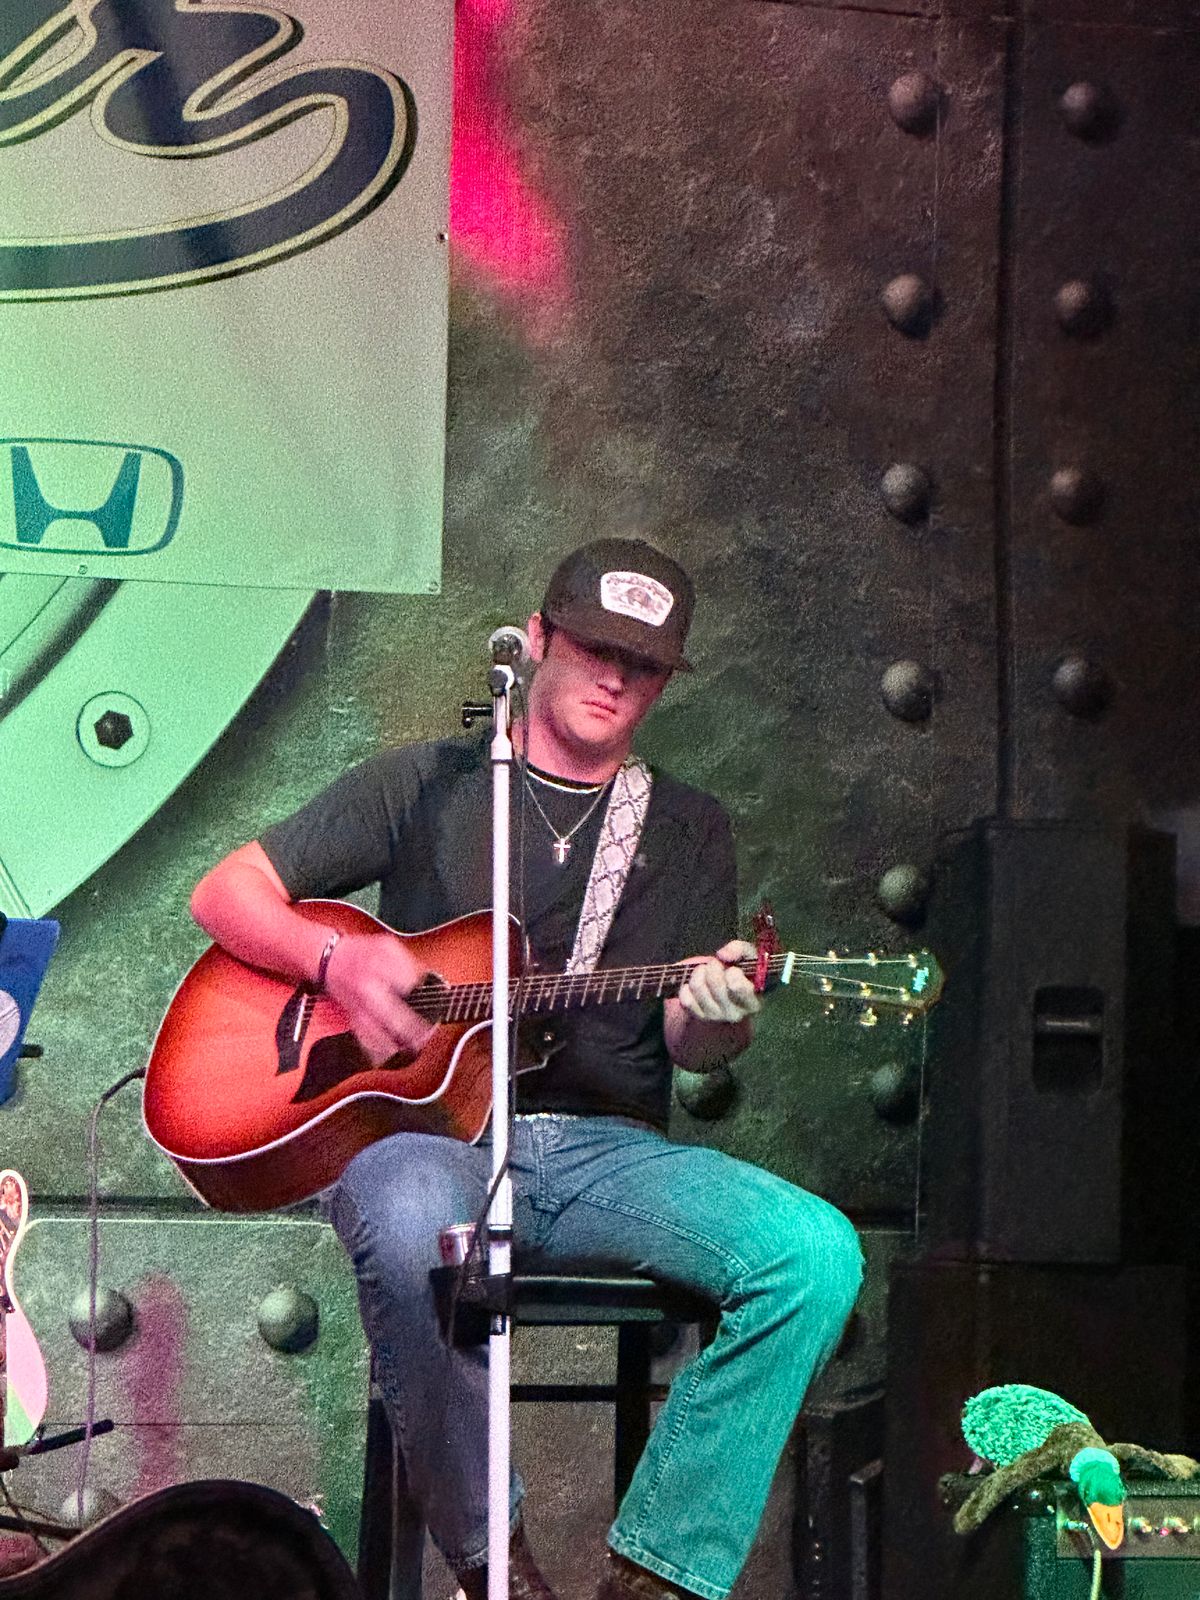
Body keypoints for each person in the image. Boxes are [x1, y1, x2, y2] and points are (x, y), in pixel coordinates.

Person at [190, 538, 863, 1600]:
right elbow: (225, 893)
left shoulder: (687, 827)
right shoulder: (429, 784)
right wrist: (337, 959)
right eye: (597, 649)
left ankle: (657, 1577)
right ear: (539, 637)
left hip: (609, 1154)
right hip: (434, 1140)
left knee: (814, 1254)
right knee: (400, 1209)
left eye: (644, 666)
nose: (616, 680)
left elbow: (690, 1043)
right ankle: (494, 1569)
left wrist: (719, 1019)